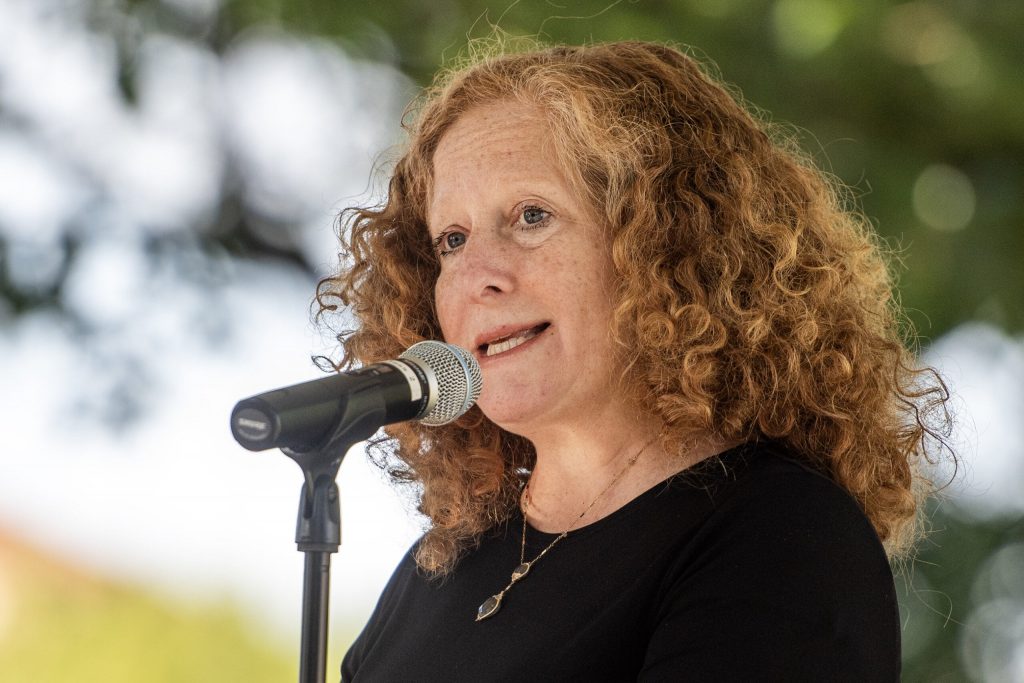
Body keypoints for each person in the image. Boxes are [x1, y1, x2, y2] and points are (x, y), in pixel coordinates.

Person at [318, 40, 952, 681]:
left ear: (666, 245)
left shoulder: (785, 537)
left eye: (532, 216)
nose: (479, 273)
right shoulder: (441, 566)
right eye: (451, 240)